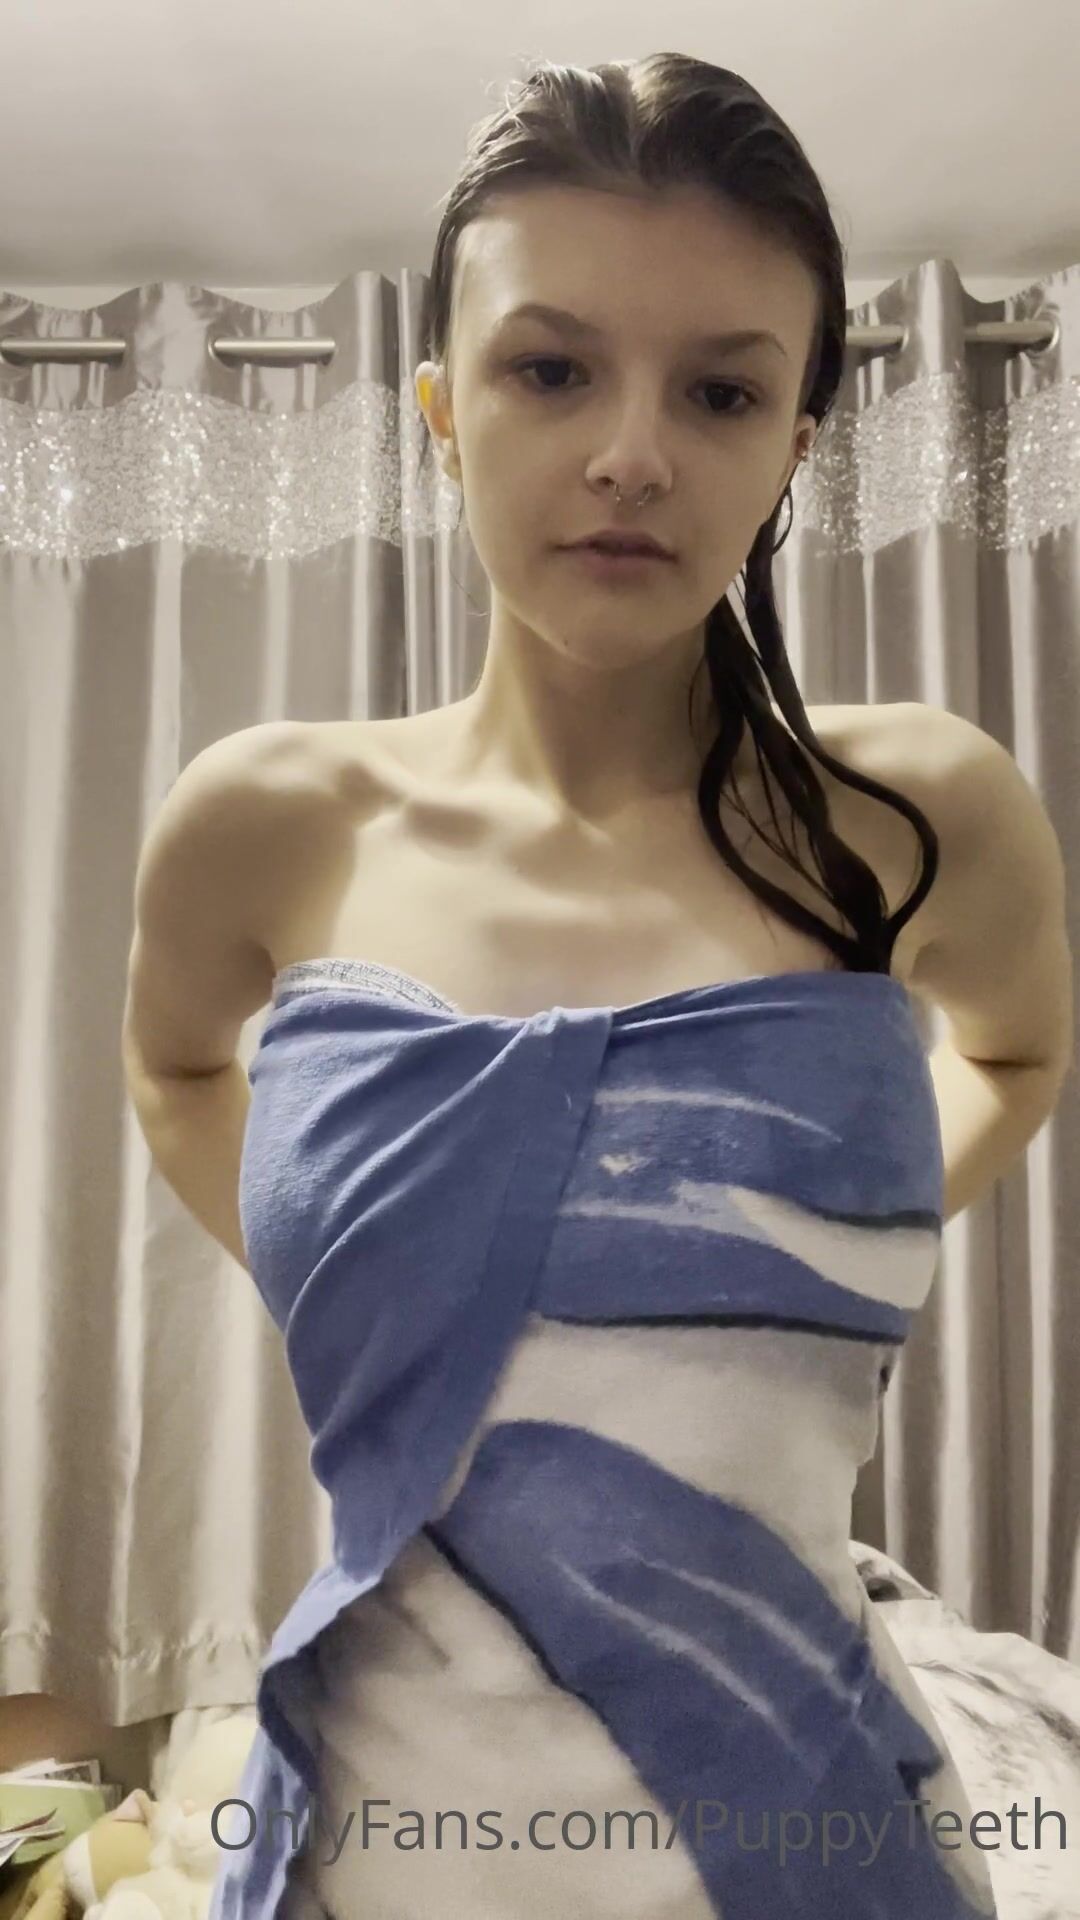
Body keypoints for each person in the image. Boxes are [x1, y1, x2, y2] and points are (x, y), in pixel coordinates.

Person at [188, 52, 1001, 1920]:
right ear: (441, 411)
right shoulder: (267, 826)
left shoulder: (920, 821)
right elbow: (173, 1067)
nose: (635, 453)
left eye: (722, 390)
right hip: (380, 1843)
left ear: (795, 445)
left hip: (818, 1837)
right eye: (551, 369)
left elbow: (1026, 1046)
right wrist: (381, 1271)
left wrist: (840, 1231)